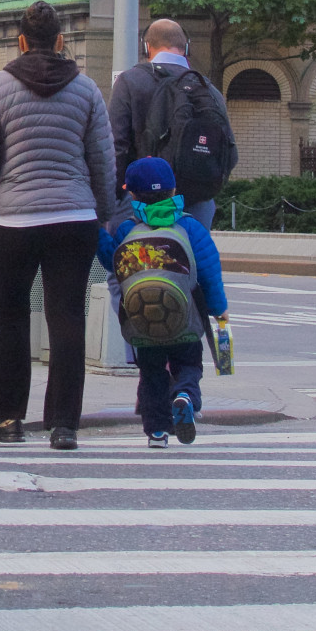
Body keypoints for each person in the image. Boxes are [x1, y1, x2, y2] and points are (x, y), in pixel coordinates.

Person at [0, 0, 116, 450]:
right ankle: (63, 424)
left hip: (12, 219)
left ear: (20, 41)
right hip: (73, 218)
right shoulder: (87, 89)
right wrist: (103, 211)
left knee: (8, 316)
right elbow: (102, 159)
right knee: (66, 316)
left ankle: (6, 418)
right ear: (60, 41)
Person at [98, 157, 228, 448]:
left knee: (152, 374)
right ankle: (185, 396)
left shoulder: (128, 230)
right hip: (186, 320)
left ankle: (157, 431)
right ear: (173, 191)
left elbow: (112, 261)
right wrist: (219, 310)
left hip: (143, 324)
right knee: (189, 366)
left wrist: (97, 233)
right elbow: (209, 272)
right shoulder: (191, 228)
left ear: (133, 196)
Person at [108, 18, 232, 229]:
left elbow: (116, 146)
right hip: (196, 205)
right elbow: (228, 151)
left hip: (140, 204)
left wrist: (115, 197)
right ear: (186, 48)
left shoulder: (130, 81)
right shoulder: (209, 90)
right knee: (191, 250)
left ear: (146, 47)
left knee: (135, 251)